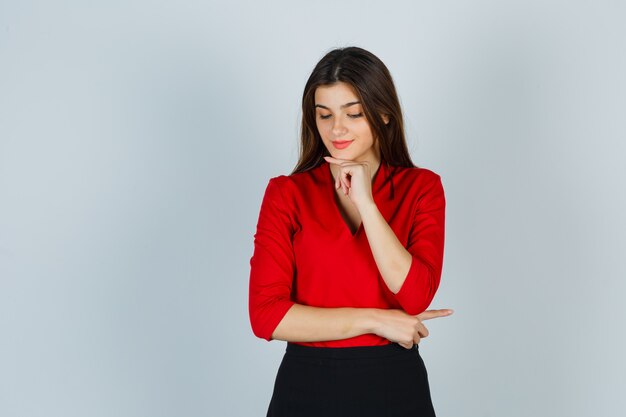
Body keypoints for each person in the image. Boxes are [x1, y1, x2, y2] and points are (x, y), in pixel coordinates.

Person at [248, 46, 453, 417]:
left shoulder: (421, 188)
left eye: (353, 114)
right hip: (306, 387)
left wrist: (367, 204)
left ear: (385, 113)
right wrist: (375, 320)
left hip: (395, 386)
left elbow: (414, 295)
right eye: (324, 115)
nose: (336, 129)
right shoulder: (286, 194)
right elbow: (267, 317)